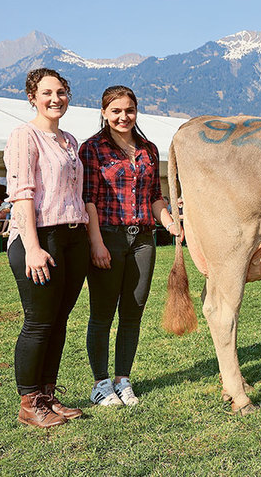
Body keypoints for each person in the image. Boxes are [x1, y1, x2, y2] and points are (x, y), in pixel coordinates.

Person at [80, 85, 179, 407]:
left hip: (143, 240)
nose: (124, 117)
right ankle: (101, 383)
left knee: (133, 312)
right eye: (116, 111)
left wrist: (170, 224)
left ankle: (123, 379)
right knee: (102, 314)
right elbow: (88, 200)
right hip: (108, 236)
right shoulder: (92, 148)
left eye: (129, 110)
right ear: (104, 113)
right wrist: (96, 243)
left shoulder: (149, 149)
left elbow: (155, 197)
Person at [4, 68, 90, 428]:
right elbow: (21, 194)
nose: (56, 99)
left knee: (59, 320)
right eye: (47, 93)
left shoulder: (70, 140)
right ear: (32, 98)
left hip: (73, 236)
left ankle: (47, 395)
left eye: (61, 92)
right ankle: (29, 403)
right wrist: (33, 248)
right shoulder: (24, 136)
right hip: (39, 237)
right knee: (39, 322)